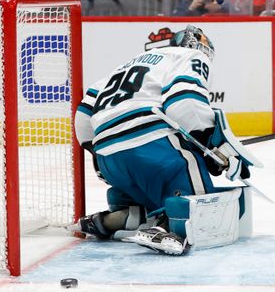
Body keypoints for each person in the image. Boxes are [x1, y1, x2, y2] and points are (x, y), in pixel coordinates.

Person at [74, 25, 256, 255]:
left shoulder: (128, 64)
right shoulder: (191, 55)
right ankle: (168, 228)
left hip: (109, 159)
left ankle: (122, 216)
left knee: (151, 188)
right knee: (190, 171)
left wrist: (97, 155)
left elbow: (83, 117)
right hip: (148, 145)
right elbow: (184, 101)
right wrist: (211, 148)